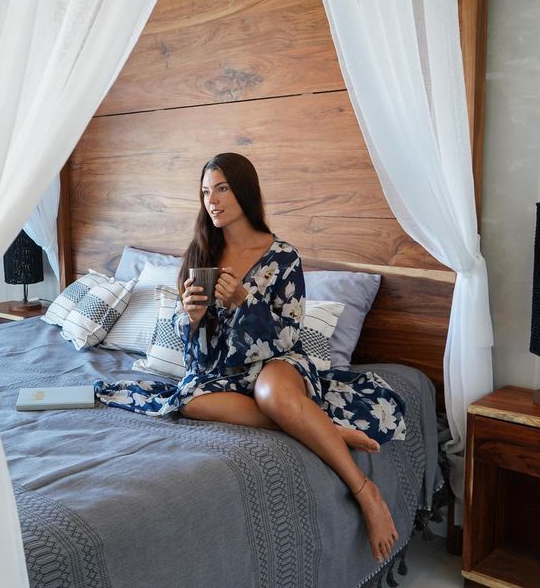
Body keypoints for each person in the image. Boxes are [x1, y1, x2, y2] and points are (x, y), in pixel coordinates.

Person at [95, 152, 407, 563]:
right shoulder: (200, 255)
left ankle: (366, 492)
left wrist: (245, 301)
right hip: (224, 371)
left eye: (222, 188)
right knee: (189, 401)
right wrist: (190, 320)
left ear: (244, 191)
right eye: (205, 191)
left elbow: (288, 335)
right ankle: (324, 429)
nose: (212, 200)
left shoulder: (284, 257)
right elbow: (196, 363)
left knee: (271, 393)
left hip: (279, 362)